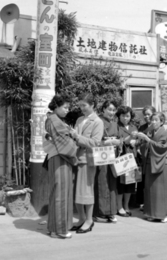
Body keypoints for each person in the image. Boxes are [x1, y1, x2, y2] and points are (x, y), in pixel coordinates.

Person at [43, 95, 78, 239]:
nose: (67, 110)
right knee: (61, 194)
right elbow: (66, 143)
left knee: (57, 193)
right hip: (60, 158)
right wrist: (74, 137)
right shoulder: (55, 121)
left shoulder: (53, 120)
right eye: (65, 107)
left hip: (56, 157)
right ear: (56, 106)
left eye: (68, 108)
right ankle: (60, 230)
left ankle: (53, 228)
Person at [69, 93, 103, 234]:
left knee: (86, 191)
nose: (82, 108)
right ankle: (82, 218)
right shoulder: (79, 119)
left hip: (87, 160)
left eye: (84, 105)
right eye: (80, 105)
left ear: (92, 105)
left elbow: (95, 142)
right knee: (77, 191)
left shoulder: (97, 122)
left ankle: (89, 220)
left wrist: (77, 136)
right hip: (76, 158)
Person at [137, 112, 167, 223]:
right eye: (152, 120)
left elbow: (162, 147)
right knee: (150, 189)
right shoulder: (150, 132)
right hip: (149, 163)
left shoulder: (165, 133)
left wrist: (148, 140)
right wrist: (142, 141)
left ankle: (162, 214)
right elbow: (144, 146)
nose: (153, 122)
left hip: (160, 163)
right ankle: (151, 213)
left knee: (161, 190)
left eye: (156, 120)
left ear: (162, 122)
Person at [93, 100, 121, 223]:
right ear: (103, 109)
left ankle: (111, 211)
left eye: (114, 110)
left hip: (112, 154)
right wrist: (109, 142)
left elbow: (120, 138)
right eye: (109, 109)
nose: (112, 112)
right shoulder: (98, 121)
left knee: (112, 182)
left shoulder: (115, 123)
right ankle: (101, 212)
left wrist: (119, 142)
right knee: (102, 181)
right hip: (102, 154)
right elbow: (95, 140)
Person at [116, 105, 138, 217]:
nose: (125, 118)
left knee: (130, 183)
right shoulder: (116, 126)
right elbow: (118, 141)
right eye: (123, 116)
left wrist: (137, 142)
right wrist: (128, 139)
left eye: (128, 116)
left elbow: (139, 140)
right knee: (120, 184)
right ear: (119, 116)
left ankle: (127, 206)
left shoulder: (133, 127)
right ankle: (119, 207)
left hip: (132, 158)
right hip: (122, 158)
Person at [136, 105, 156, 211]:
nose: (146, 116)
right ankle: (141, 202)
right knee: (142, 179)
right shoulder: (142, 128)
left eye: (149, 114)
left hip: (153, 156)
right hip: (143, 156)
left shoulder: (156, 127)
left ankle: (151, 202)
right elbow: (138, 142)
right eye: (145, 115)